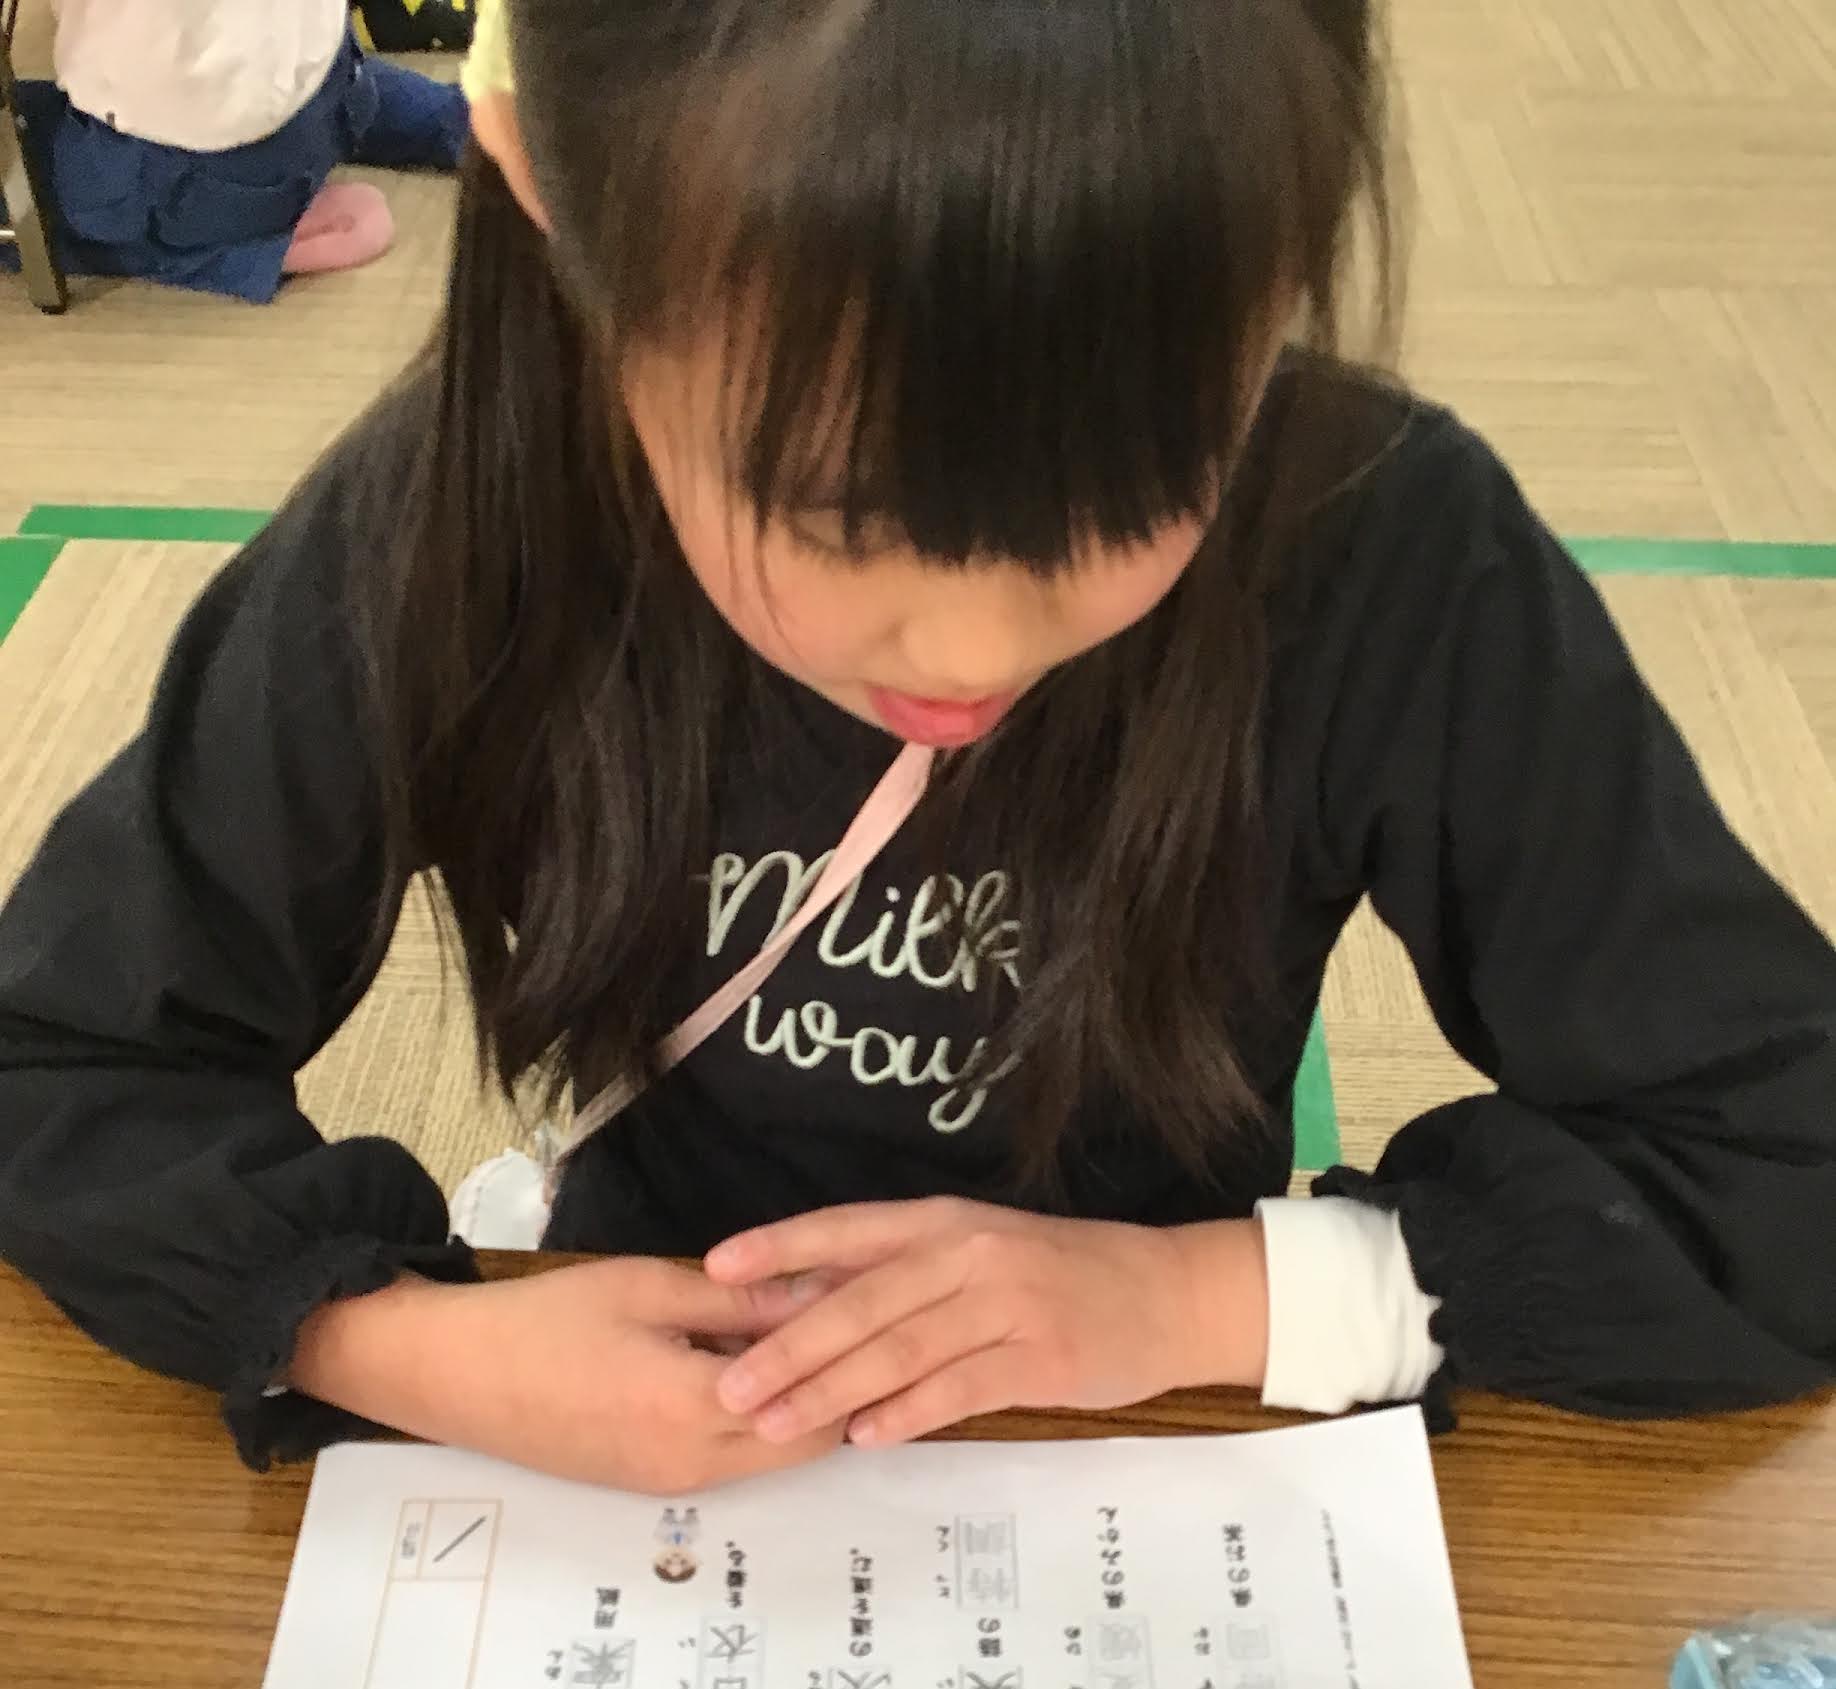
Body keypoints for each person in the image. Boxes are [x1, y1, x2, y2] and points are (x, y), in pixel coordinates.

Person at [1, 0, 1833, 1498]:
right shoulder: (460, 526)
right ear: (554, 190)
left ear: (1285, 270)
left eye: (1131, 493)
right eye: (830, 509)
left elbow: (1785, 1164)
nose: (971, 655)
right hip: (645, 1363)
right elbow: (59, 1060)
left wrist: (1202, 1300)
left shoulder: (1384, 548)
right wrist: (396, 1339)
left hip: (1142, 1413)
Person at [14, 1, 470, 301]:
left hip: (215, 172)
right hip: (338, 87)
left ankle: (253, 253)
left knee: (24, 181)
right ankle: (469, 121)